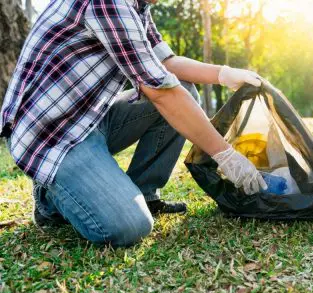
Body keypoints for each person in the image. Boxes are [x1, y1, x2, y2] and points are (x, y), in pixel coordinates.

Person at [0, 0, 267, 247]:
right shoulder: (108, 2)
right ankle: (49, 200)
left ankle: (145, 193)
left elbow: (167, 63)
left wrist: (223, 74)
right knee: (129, 227)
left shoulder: (138, 7)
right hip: (51, 135)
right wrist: (225, 155)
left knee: (184, 89)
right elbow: (160, 92)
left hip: (89, 116)